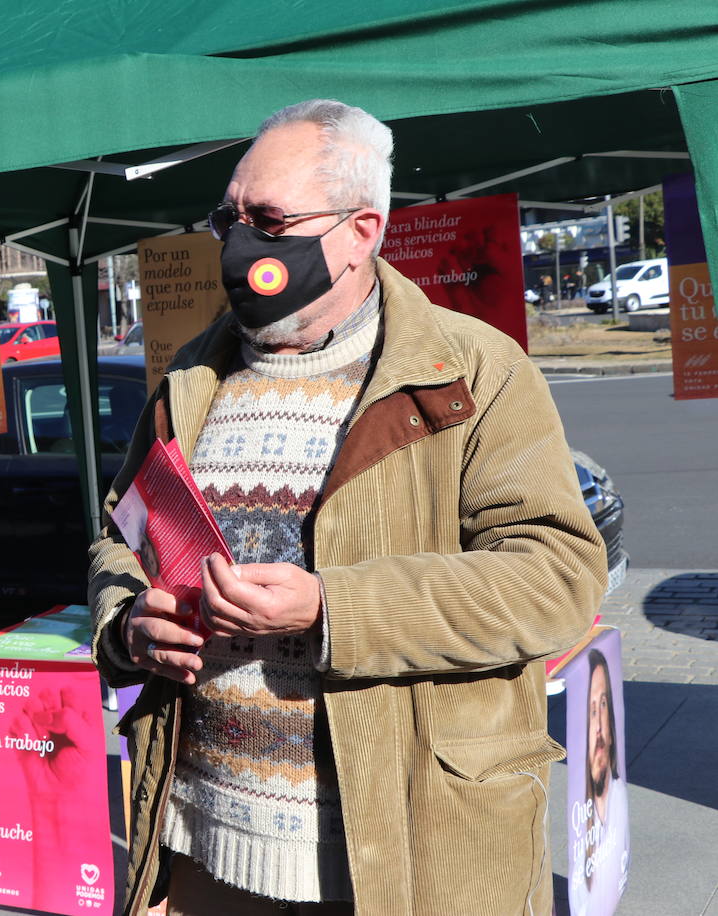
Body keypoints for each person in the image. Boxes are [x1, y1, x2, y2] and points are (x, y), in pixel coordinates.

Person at [89, 100, 607, 916]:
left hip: (404, 857)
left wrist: (335, 608)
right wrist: (126, 624)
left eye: (268, 219)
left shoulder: (475, 372)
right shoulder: (189, 377)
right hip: (205, 852)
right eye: (228, 216)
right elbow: (119, 536)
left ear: (363, 230)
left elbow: (557, 582)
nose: (237, 243)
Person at [570, 648, 629, 915]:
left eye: (603, 704)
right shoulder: (579, 811)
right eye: (592, 711)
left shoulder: (618, 798)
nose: (598, 727)